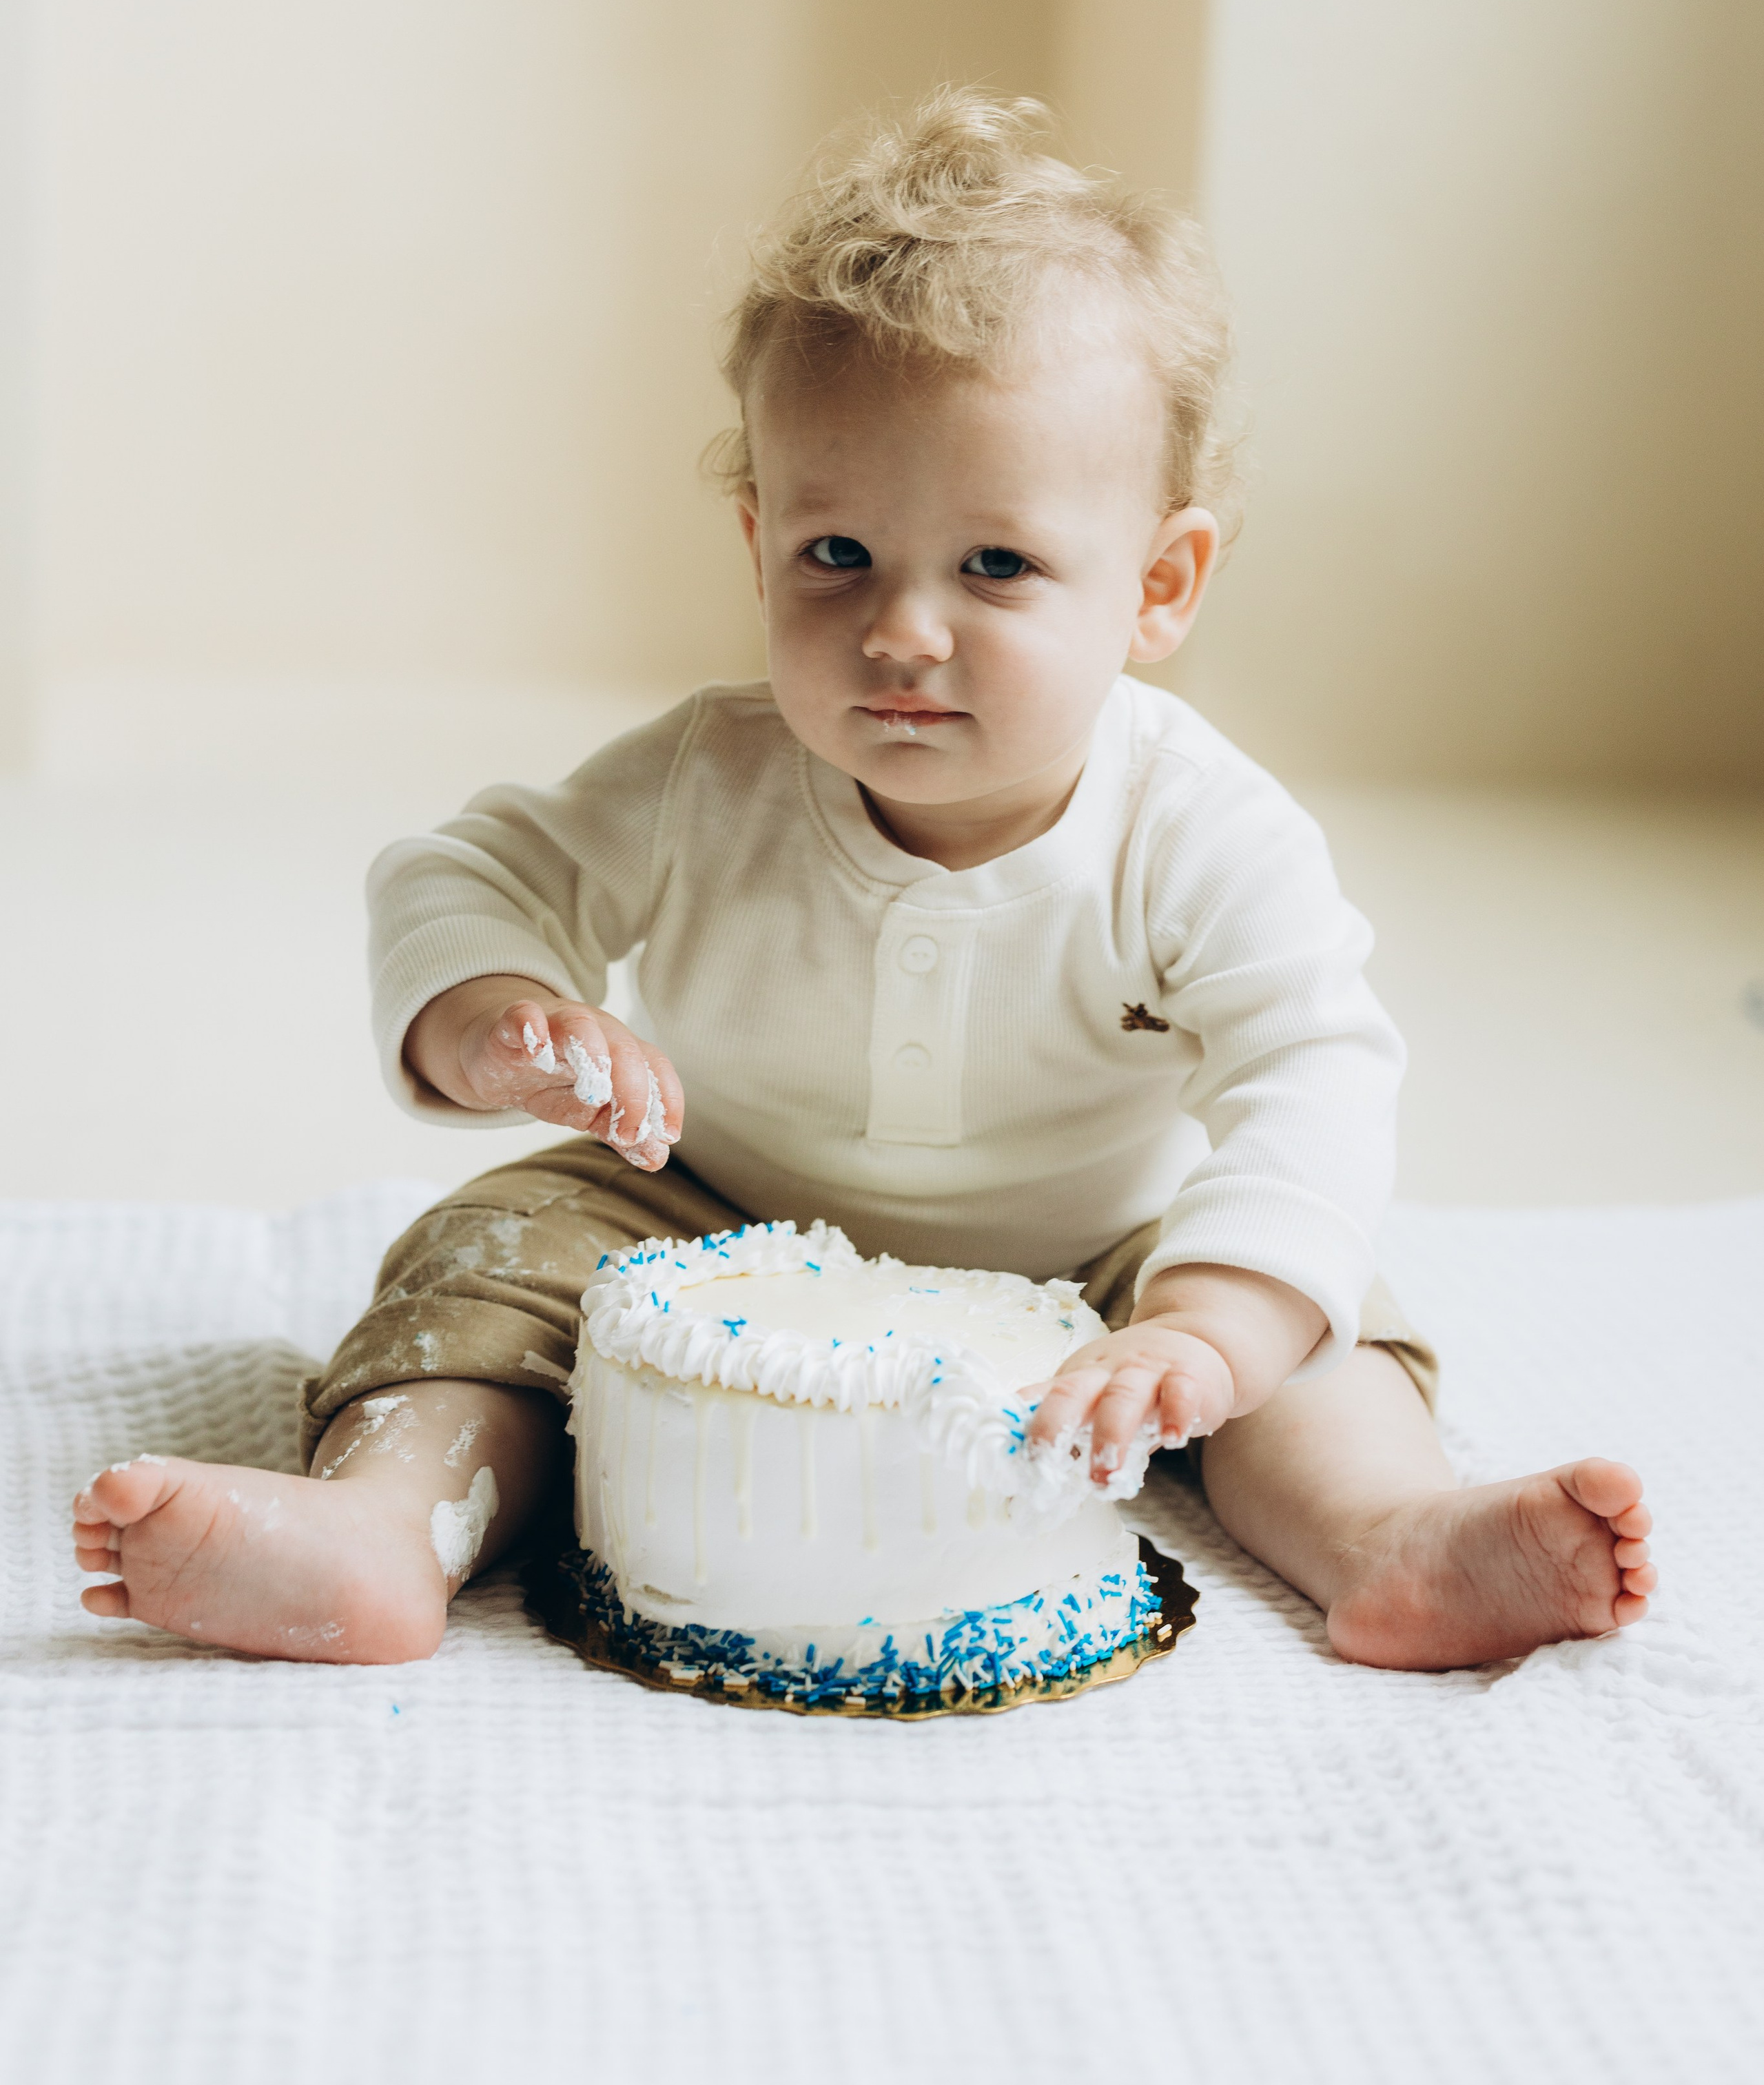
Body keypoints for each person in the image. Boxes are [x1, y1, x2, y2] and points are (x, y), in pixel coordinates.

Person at [72, 91, 1654, 1668]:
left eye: (995, 566)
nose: (901, 631)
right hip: (703, 1210)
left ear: (1157, 585)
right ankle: (383, 1528)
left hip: (1091, 1249)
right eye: (838, 557)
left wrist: (1206, 1328)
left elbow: (1310, 1072)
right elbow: (469, 869)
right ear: (760, 541)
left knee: (1314, 1323)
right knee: (487, 1261)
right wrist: (492, 1010)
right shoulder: (710, 773)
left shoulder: (1197, 830)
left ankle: (1389, 1538)